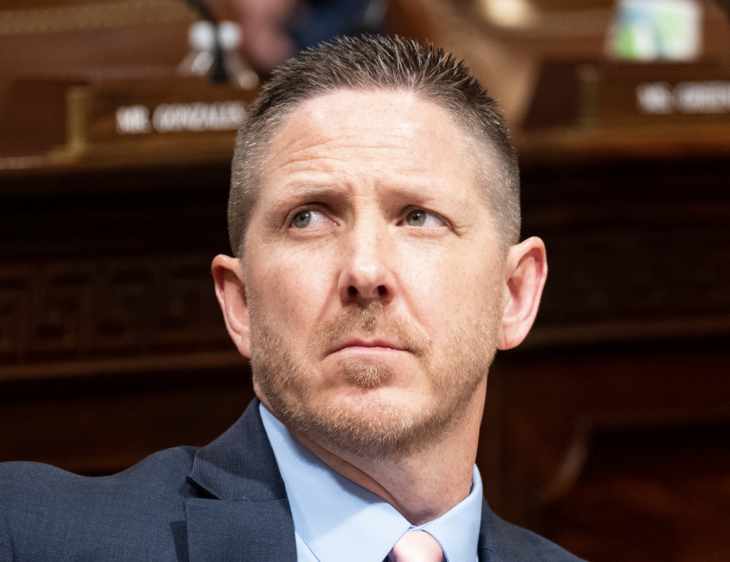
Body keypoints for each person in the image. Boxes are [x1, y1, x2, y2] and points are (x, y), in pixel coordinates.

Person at [0, 35, 581, 562]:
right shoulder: (29, 537)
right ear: (240, 303)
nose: (365, 270)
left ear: (514, 294)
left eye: (418, 217)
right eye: (309, 217)